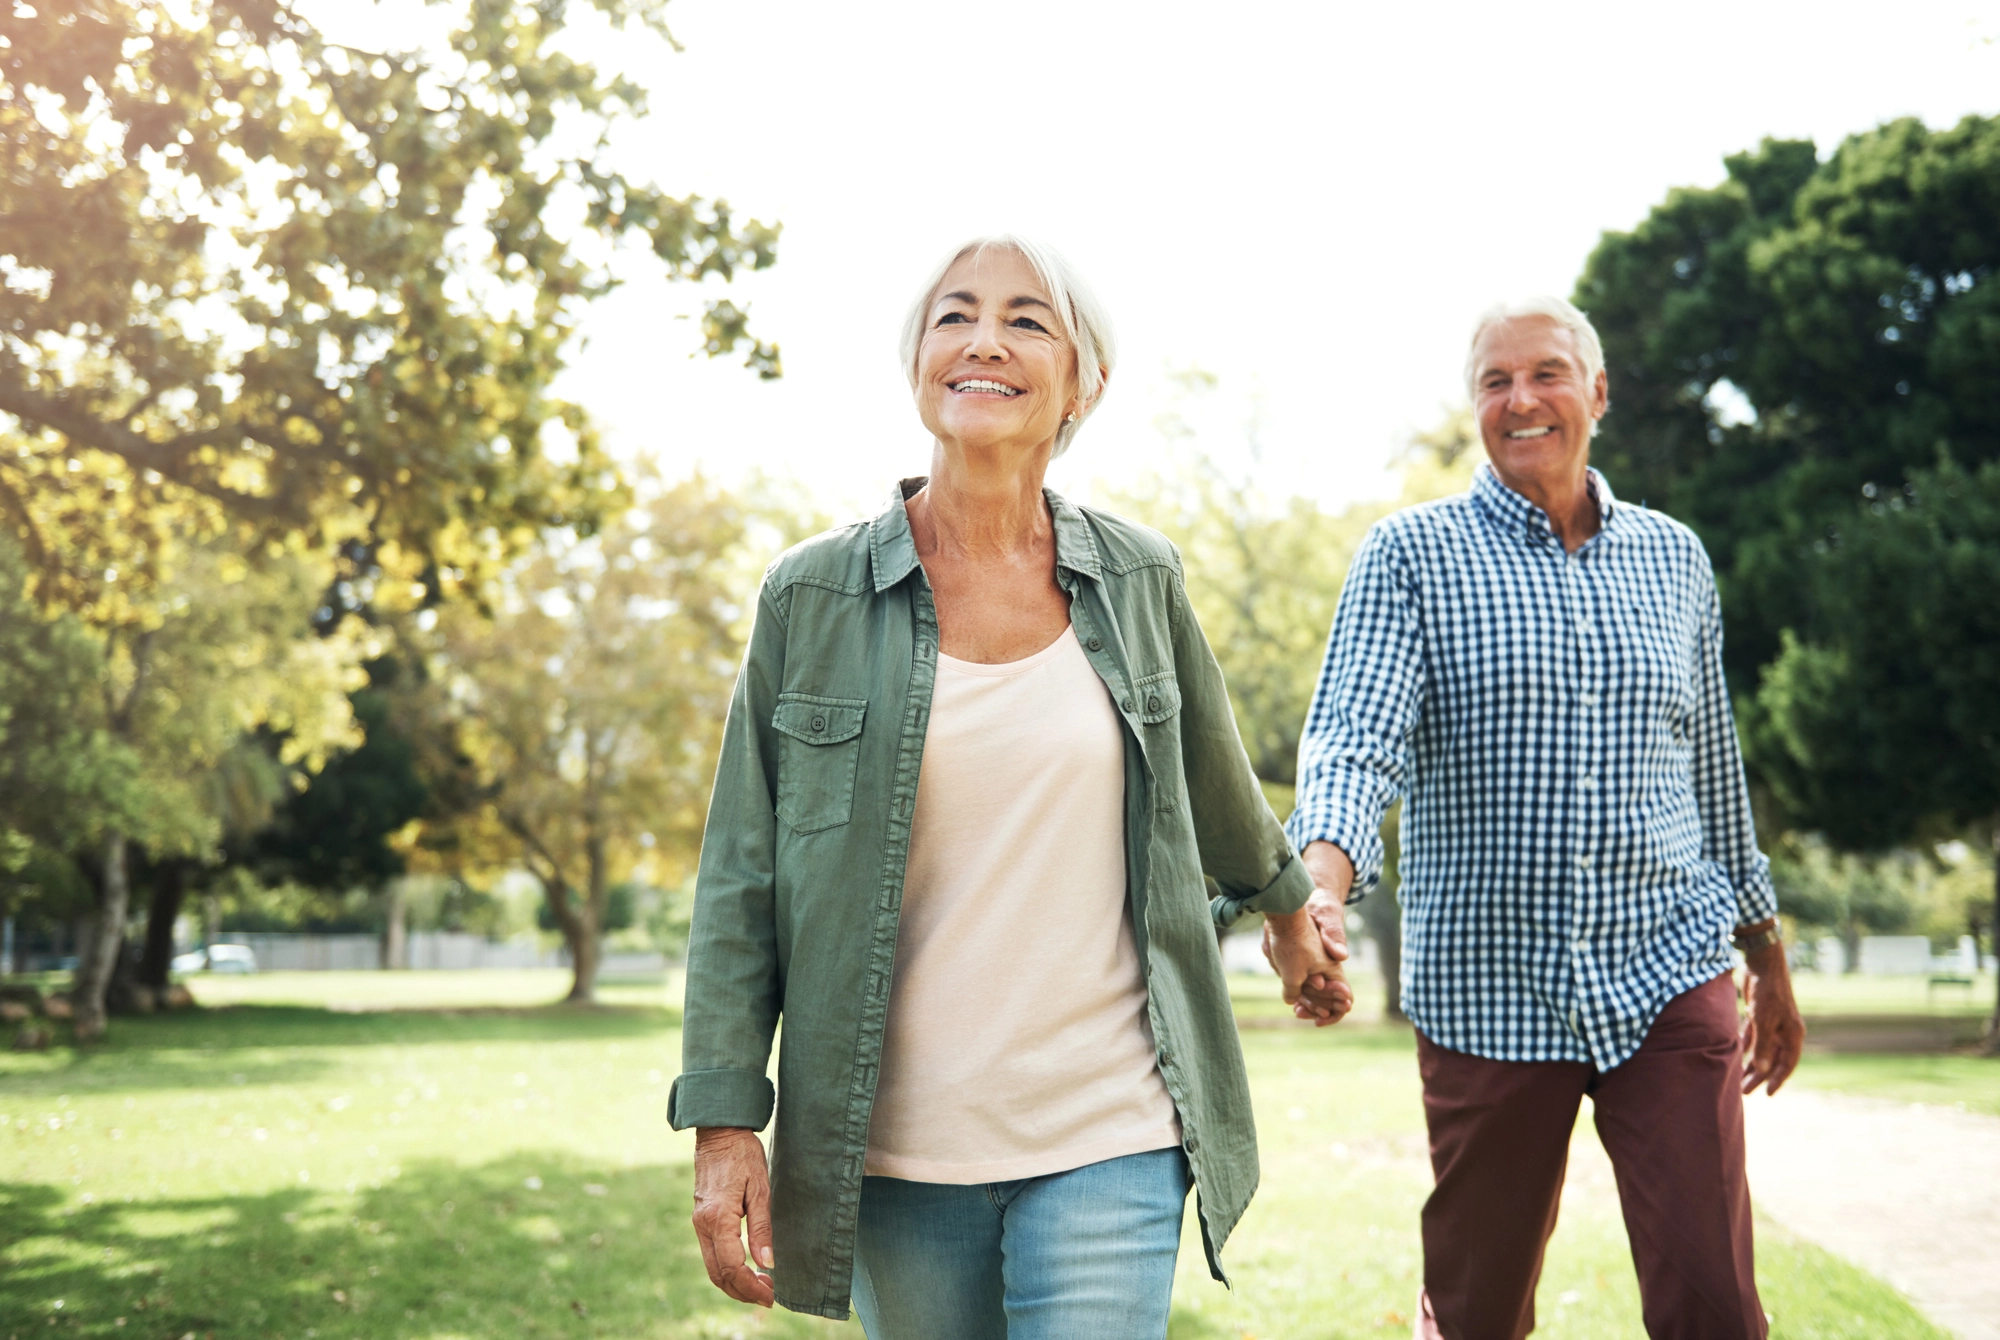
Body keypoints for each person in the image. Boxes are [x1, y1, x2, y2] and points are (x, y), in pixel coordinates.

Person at [669, 235, 1350, 1338]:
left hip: (1108, 1125)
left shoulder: (1138, 578)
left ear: (1081, 380)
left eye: (1027, 318)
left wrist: (1285, 916)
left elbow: (1215, 786)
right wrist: (723, 1121)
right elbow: (740, 878)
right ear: (918, 364)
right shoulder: (811, 596)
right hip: (891, 1148)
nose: (985, 338)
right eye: (955, 314)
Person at [1282, 296, 1807, 1340]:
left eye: (1546, 373)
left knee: (1713, 1297)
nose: (1519, 399)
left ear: (1596, 392)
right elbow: (1352, 739)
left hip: (1668, 966)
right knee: (1478, 1306)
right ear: (1474, 403)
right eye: (1493, 381)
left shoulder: (1673, 560)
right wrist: (1317, 890)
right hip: (1488, 984)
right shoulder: (1409, 557)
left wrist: (1765, 949)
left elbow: (1709, 768)